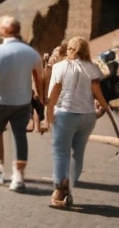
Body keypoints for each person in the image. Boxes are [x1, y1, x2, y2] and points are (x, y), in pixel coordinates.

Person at [45, 37, 116, 208]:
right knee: (78, 154)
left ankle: (59, 189)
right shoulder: (92, 68)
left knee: (61, 153)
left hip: (65, 114)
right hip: (87, 117)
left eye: (69, 48)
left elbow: (54, 93)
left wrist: (49, 115)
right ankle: (68, 185)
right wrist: (107, 111)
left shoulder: (60, 67)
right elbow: (98, 93)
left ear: (71, 50)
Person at [0, 16, 43, 192]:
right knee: (20, 137)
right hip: (22, 102)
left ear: (2, 31)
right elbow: (38, 78)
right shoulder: (32, 53)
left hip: (1, 101)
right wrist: (41, 97)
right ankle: (18, 177)